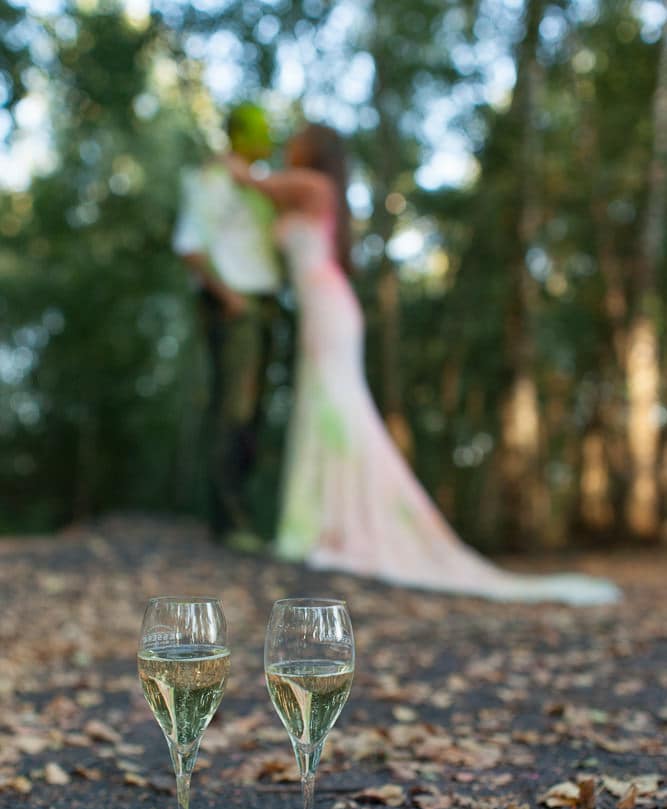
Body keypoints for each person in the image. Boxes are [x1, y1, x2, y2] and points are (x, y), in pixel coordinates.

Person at [228, 124, 619, 604]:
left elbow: (250, 183)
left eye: (298, 140)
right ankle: (320, 524)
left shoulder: (313, 186)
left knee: (339, 413)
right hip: (318, 312)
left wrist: (232, 160)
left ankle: (338, 526)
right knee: (324, 414)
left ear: (315, 150)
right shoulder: (306, 195)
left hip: (329, 309)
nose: (290, 144)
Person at [173, 104, 281, 539]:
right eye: (259, 128)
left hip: (264, 305)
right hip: (236, 305)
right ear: (238, 133)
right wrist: (231, 298)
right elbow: (190, 246)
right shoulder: (214, 179)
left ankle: (239, 516)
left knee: (251, 413)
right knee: (234, 409)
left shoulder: (257, 183)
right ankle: (228, 520)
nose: (268, 135)